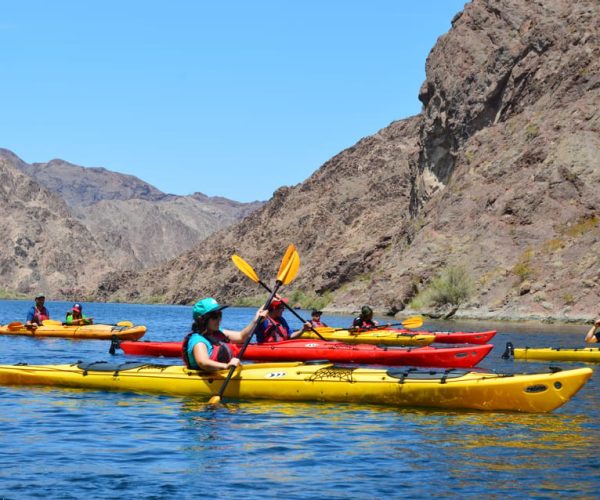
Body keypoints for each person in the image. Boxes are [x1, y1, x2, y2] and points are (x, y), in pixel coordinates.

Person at [182, 297, 267, 371]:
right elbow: (203, 362)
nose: (219, 319)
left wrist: (256, 320)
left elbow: (242, 337)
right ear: (202, 320)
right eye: (215, 316)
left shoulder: (219, 333)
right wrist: (226, 366)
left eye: (220, 314)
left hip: (223, 373)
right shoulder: (198, 340)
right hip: (209, 377)